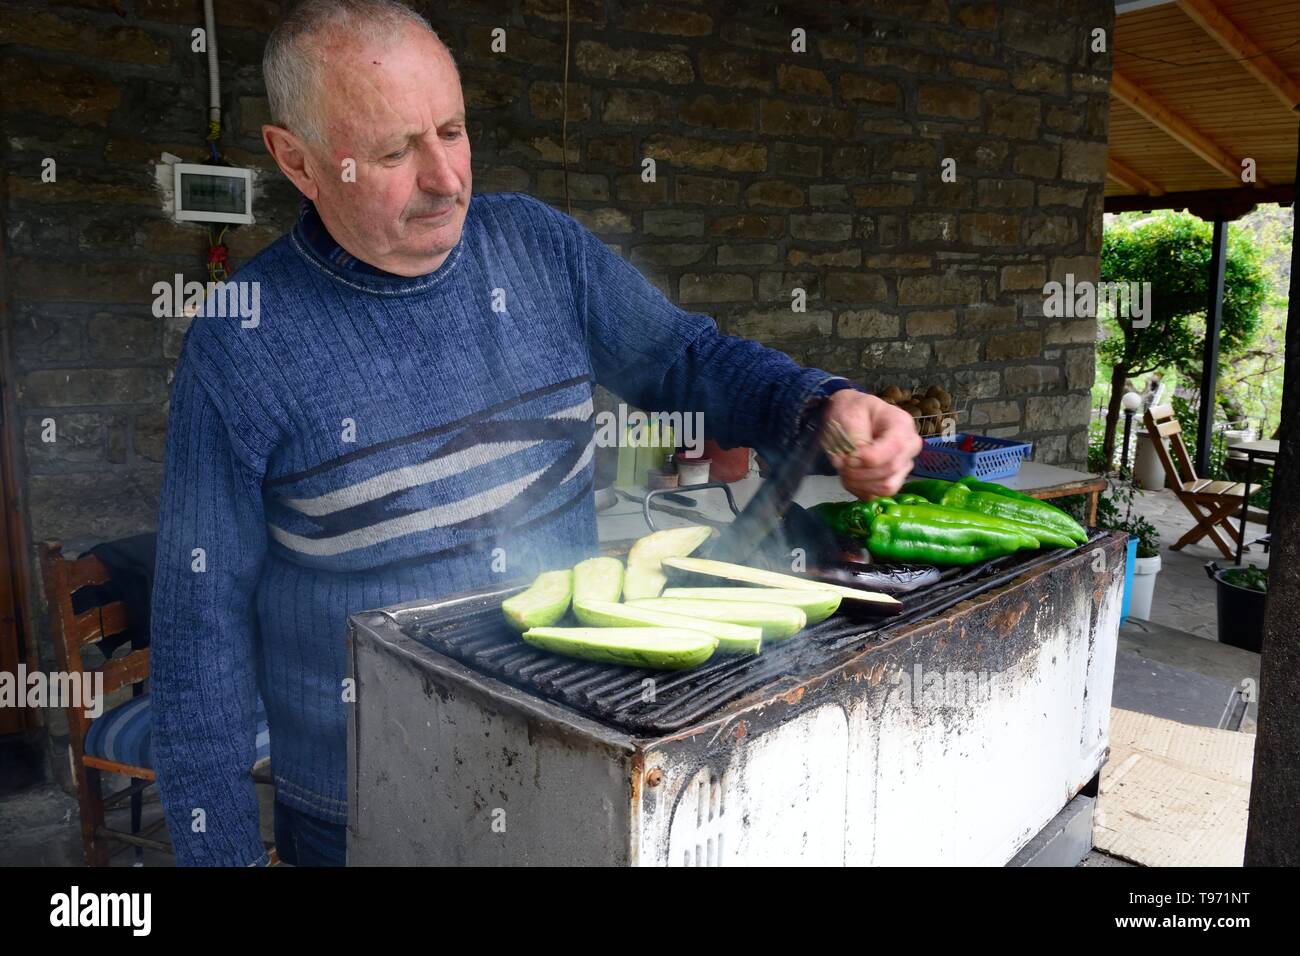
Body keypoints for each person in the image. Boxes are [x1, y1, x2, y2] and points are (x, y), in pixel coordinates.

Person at [151, 0, 922, 866]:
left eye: (452, 129)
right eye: (397, 151)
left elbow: (687, 359)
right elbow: (197, 633)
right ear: (296, 160)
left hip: (569, 762)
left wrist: (819, 407)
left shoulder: (540, 250)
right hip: (363, 805)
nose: (445, 178)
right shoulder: (243, 341)